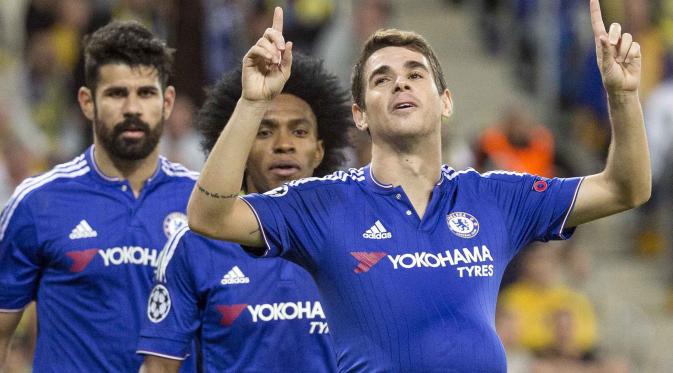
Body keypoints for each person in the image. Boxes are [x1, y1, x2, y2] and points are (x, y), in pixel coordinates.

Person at [187, 1, 650, 371]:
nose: (400, 84)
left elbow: (624, 190)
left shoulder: (495, 197)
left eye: (415, 74)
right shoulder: (323, 203)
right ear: (360, 114)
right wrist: (252, 103)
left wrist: (623, 97)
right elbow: (209, 216)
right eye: (381, 79)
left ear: (445, 101)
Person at [0, 21, 197, 371]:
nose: (133, 108)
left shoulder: (202, 205)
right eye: (117, 93)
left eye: (146, 93)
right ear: (87, 102)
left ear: (167, 102)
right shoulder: (38, 202)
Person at [136, 53, 350, 372]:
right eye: (264, 132)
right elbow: (159, 368)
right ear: (241, 148)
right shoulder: (194, 244)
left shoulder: (355, 235)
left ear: (319, 150)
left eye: (299, 132)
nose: (284, 144)